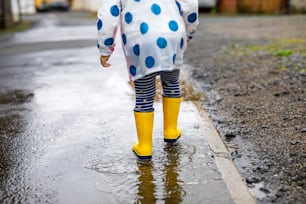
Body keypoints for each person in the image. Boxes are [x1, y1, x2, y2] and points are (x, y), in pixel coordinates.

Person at [97, 0, 199, 160]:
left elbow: (108, 15)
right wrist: (189, 30)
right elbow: (190, 4)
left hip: (141, 39)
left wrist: (105, 47)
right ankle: (171, 130)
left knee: (144, 93)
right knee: (171, 82)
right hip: (173, 35)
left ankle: (144, 147)